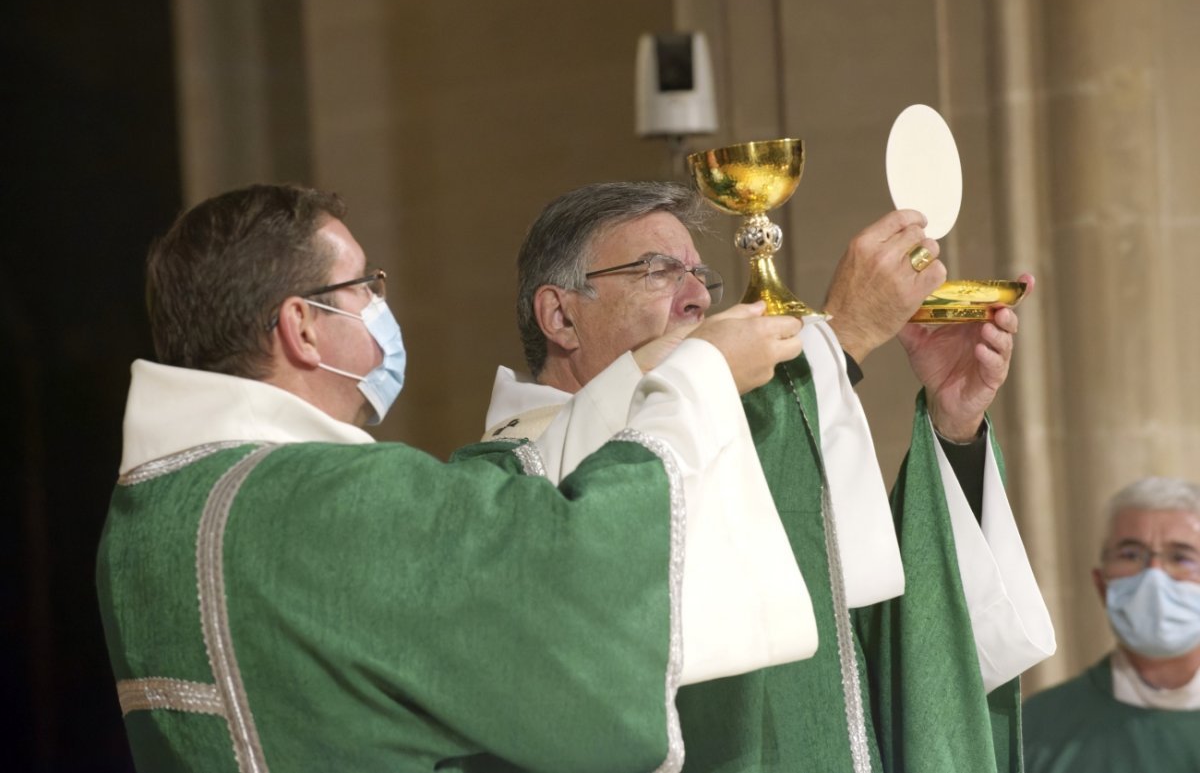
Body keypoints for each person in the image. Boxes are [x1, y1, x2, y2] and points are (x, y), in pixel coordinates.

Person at [95, 183, 828, 772]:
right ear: (302, 326)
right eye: (363, 288)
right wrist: (697, 379)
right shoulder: (322, 496)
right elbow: (563, 578)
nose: (384, 310)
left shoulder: (150, 517)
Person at [482, 181, 1056, 773]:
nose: (696, 298)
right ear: (560, 316)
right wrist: (845, 334)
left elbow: (869, 631)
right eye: (658, 271)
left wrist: (953, 428)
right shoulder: (516, 478)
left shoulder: (722, 426)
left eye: (701, 276)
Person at [1023, 476, 1200, 772]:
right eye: (1131, 554)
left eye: (1180, 557)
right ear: (1102, 585)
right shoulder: (1035, 728)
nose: (1154, 575)